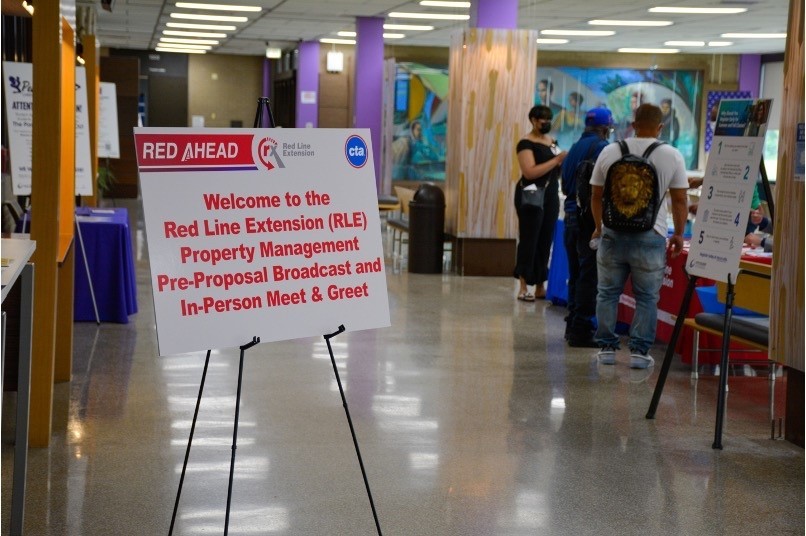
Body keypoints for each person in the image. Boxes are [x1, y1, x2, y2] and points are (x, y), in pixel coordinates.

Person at [589, 103, 689, 369]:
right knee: (647, 297)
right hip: (651, 236)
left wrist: (599, 226)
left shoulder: (610, 150)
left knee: (607, 293)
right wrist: (678, 233)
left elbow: (596, 195)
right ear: (660, 127)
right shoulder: (671, 155)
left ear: (633, 124)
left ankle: (607, 349)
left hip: (612, 234)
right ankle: (639, 353)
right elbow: (680, 200)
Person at [559, 106, 614, 347]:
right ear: (605, 128)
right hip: (587, 220)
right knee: (589, 275)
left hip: (569, 217)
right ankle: (582, 329)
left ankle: (572, 325)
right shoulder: (602, 148)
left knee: (576, 274)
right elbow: (599, 189)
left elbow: (564, 186)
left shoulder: (573, 148)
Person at [514, 105, 568, 301]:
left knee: (546, 239)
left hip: (550, 194)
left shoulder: (552, 142)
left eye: (548, 119)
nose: (545, 123)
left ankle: (539, 284)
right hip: (530, 193)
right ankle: (522, 283)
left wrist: (561, 162)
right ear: (533, 121)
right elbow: (530, 172)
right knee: (530, 238)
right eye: (542, 119)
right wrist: (556, 161)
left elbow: (559, 164)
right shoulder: (525, 144)